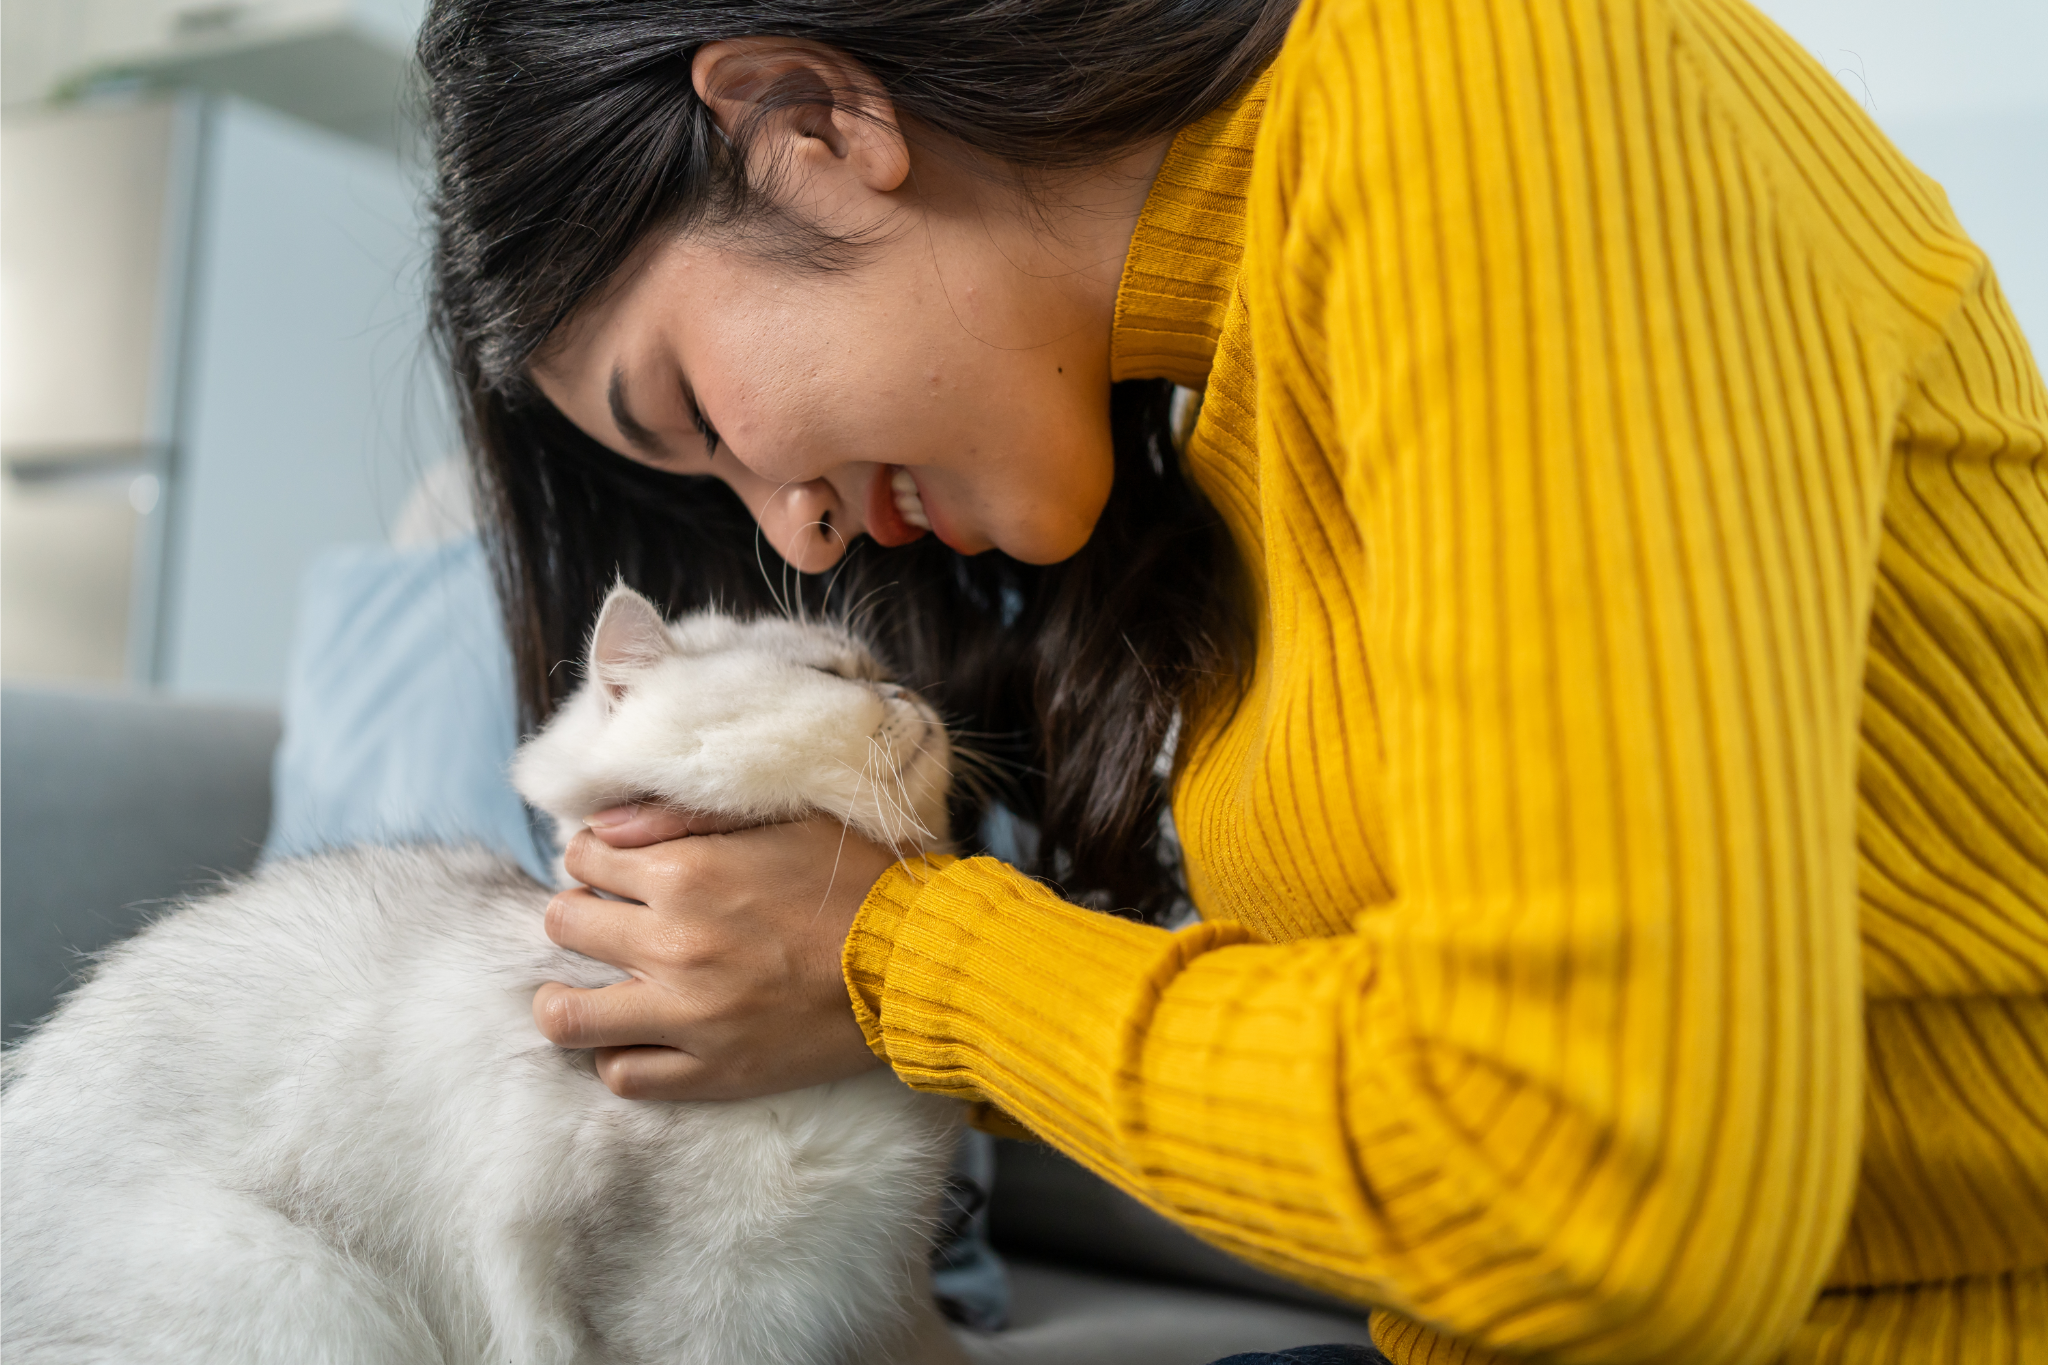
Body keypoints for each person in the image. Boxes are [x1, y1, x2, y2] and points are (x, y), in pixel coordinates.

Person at [420, 0, 2048, 1361]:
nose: (804, 532)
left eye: (697, 413)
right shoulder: (1234, 415)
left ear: (807, 123)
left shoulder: (1507, 77)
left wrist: (902, 962)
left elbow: (1595, 1182)